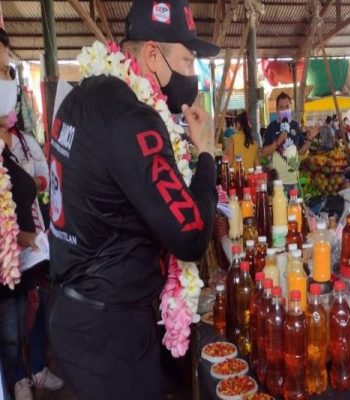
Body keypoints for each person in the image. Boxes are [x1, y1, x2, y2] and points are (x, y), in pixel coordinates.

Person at [47, 1, 219, 398]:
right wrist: (206, 153)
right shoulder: (132, 117)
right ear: (153, 54)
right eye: (188, 60)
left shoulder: (81, 96)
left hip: (75, 316)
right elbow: (191, 234)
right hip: (109, 333)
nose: (193, 75)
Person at [0, 29, 62, 400]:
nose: (5, 79)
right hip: (12, 248)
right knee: (9, 329)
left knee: (33, 312)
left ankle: (35, 368)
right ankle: (18, 377)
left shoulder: (20, 142)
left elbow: (43, 177)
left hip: (27, 245)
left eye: (7, 69)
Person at [261, 92, 318, 188]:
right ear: (277, 110)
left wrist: (310, 138)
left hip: (293, 179)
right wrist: (279, 141)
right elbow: (263, 153)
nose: (284, 109)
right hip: (277, 181)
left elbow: (301, 151)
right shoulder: (271, 127)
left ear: (291, 108)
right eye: (281, 107)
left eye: (287, 106)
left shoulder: (295, 126)